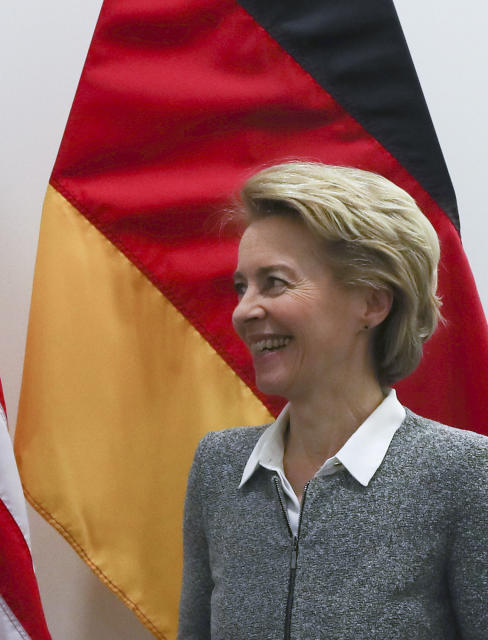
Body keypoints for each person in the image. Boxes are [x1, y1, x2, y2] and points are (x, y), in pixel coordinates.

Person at [177, 162, 488, 639]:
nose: (244, 311)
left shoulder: (464, 475)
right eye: (242, 287)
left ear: (372, 302)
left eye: (274, 282)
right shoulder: (218, 467)